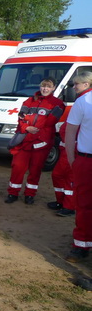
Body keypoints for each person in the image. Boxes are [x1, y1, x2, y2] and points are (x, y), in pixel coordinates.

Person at [4, 77, 64, 205]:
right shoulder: (28, 101)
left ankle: (30, 195)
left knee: (35, 169)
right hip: (25, 140)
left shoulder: (58, 104)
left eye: (48, 86)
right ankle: (12, 193)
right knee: (17, 167)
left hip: (42, 141)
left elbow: (50, 122)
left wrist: (30, 121)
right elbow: (21, 118)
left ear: (53, 88)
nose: (45, 89)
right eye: (43, 86)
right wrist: (26, 127)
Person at [64, 71, 92, 263]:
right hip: (86, 160)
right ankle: (82, 245)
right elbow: (70, 131)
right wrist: (72, 159)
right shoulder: (83, 101)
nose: (74, 87)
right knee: (84, 204)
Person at [48, 121, 76, 216]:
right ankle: (61, 202)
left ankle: (69, 207)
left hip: (74, 152)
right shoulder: (74, 114)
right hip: (65, 151)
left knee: (71, 181)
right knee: (57, 175)